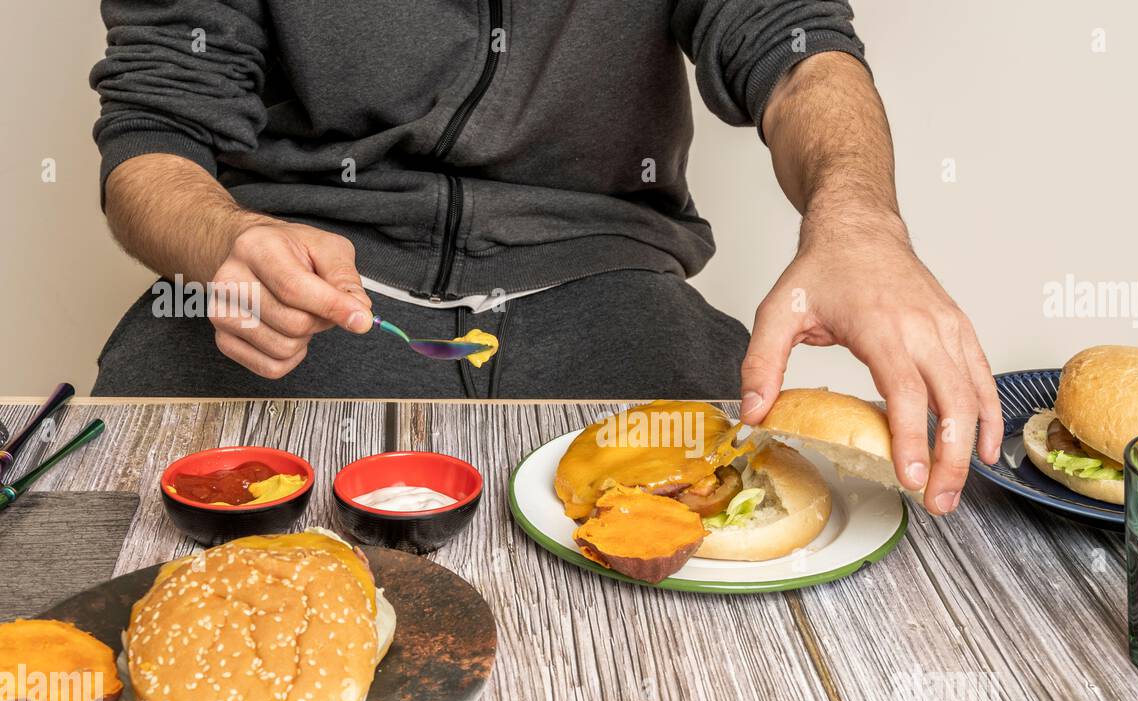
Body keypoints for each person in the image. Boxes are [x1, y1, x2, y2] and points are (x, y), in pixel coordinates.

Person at [90, 1, 1000, 515]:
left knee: (776, 524)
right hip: (310, 279)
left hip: (603, 277)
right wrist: (225, 240)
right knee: (125, 539)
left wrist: (860, 222)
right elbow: (152, 137)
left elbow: (799, 53)